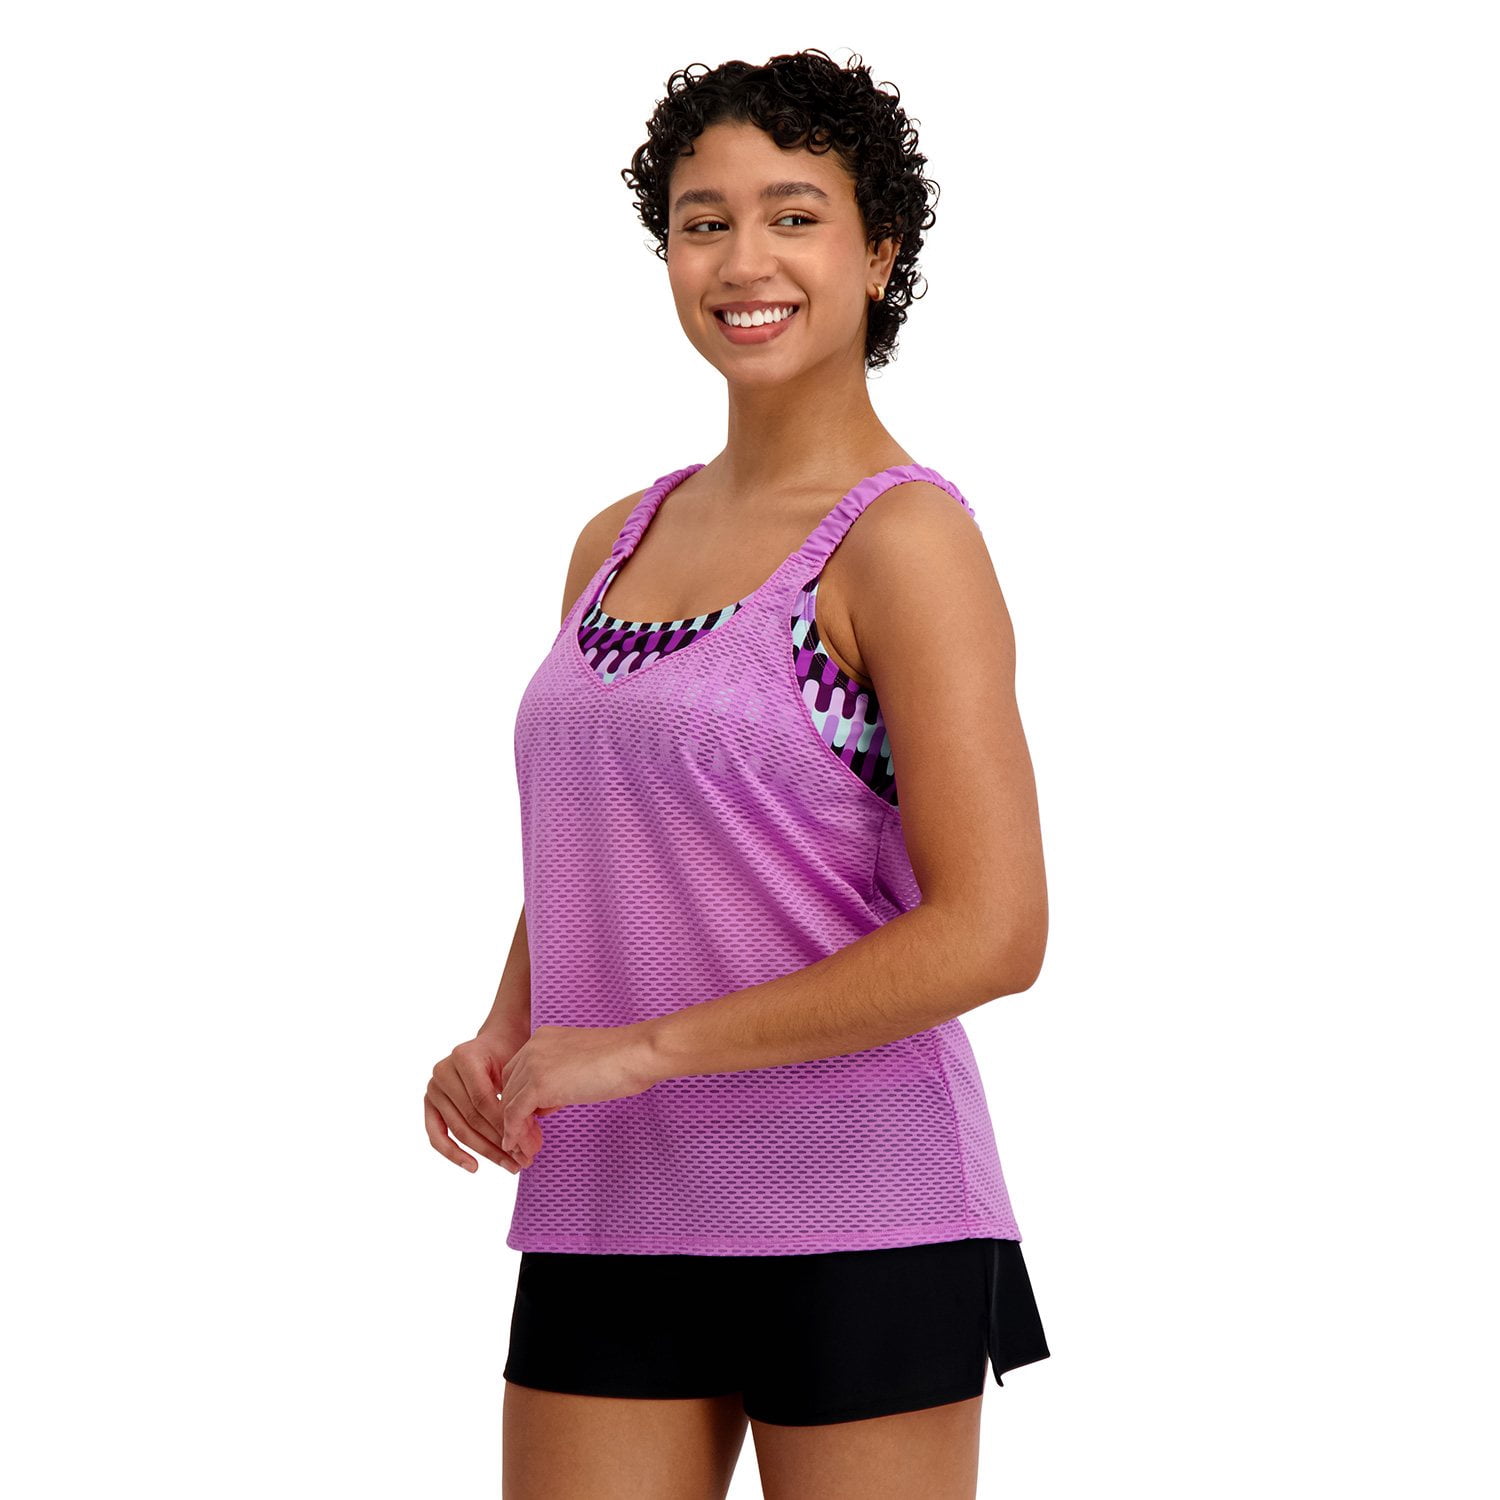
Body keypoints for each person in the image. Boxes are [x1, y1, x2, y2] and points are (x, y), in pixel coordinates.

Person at [425, 49, 1052, 1500]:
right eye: (703, 222)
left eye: (793, 216)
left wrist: (638, 1050)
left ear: (879, 253)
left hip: (855, 1204)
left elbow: (996, 930)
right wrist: (511, 1030)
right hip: (609, 1198)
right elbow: (615, 831)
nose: (743, 260)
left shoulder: (904, 543)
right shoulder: (616, 539)